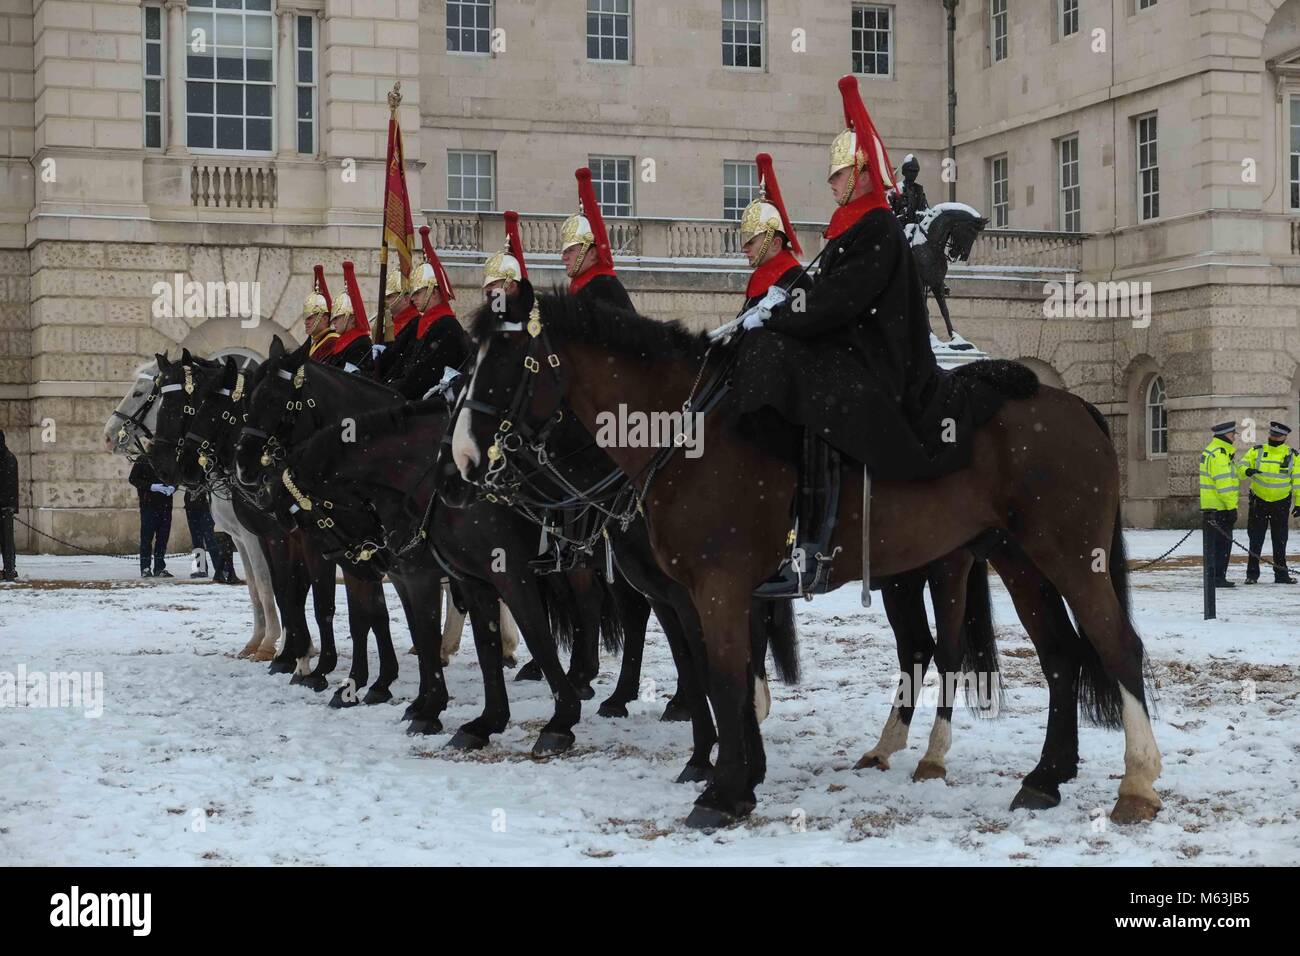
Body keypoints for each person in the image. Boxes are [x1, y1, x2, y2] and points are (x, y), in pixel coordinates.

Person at [731, 75, 1009, 596]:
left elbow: (839, 300)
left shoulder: (877, 228)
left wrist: (778, 312)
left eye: (837, 175)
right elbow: (826, 294)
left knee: (813, 400)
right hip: (858, 353)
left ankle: (812, 546)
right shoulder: (855, 227)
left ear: (860, 173)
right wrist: (778, 308)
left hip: (884, 365)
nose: (831, 184)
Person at [561, 167, 635, 311]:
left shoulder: (603, 288)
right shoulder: (583, 285)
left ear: (593, 253)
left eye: (570, 250)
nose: (564, 257)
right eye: (565, 251)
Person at [1237, 420, 1299, 584]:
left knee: (1280, 540)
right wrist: (1247, 470)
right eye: (1272, 434)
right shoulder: (1256, 451)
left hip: (1281, 503)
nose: (1274, 437)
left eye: (1277, 435)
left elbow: (1298, 481)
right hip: (1259, 501)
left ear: (1284, 437)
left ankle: (1281, 575)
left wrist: (1299, 503)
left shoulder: (1292, 455)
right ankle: (1251, 575)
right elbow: (1240, 468)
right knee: (1255, 539)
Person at [1199, 420, 1240, 588]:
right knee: (1222, 546)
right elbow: (1224, 484)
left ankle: (1214, 576)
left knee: (1214, 546)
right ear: (1227, 435)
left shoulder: (1211, 451)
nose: (1235, 438)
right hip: (1221, 507)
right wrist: (1232, 507)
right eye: (1233, 435)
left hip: (1211, 507)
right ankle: (1218, 577)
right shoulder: (1220, 454)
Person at [317, 260, 373, 370]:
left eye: (337, 318)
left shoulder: (361, 343)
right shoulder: (340, 343)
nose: (333, 322)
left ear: (351, 318)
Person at [129, 456, 175, 578]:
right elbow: (133, 479)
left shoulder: (169, 459)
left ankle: (159, 567)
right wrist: (151, 486)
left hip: (165, 505)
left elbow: (176, 477)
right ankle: (145, 567)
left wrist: (173, 487)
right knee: (146, 538)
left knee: (162, 539)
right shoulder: (143, 459)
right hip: (148, 505)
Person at [184, 486, 235, 582]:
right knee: (196, 539)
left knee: (210, 539)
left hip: (206, 506)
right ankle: (201, 567)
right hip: (191, 505)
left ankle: (220, 568)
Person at [304, 265, 340, 360]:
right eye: (306, 318)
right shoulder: (318, 342)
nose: (306, 322)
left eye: (310, 318)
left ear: (324, 319)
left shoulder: (331, 341)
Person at [1, 429, 18, 581]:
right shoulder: (10, 458)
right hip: (7, 508)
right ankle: (10, 569)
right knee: (8, 543)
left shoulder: (8, 459)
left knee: (7, 543)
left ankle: (9, 569)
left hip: (5, 507)